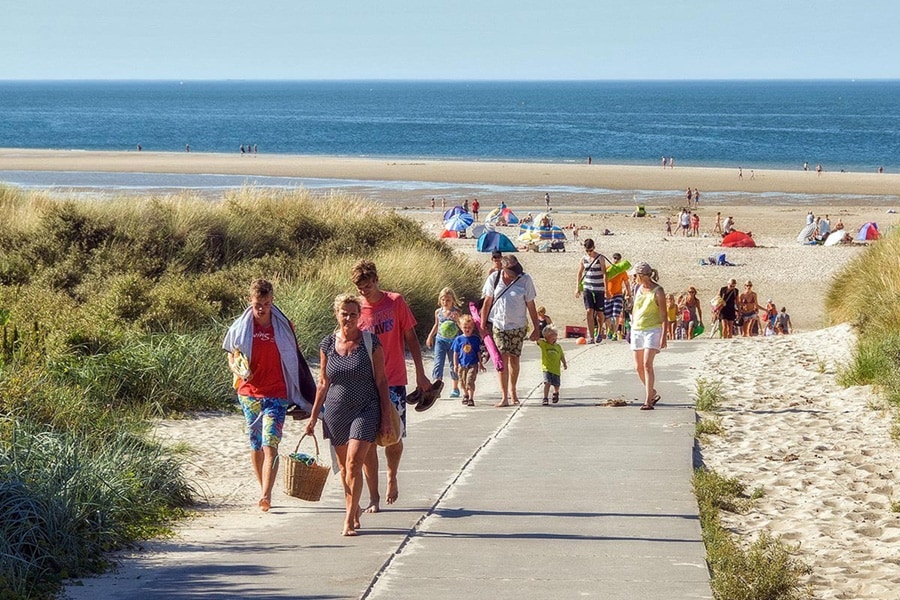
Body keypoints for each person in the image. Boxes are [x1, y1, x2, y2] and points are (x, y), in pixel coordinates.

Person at [222, 279, 314, 512]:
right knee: (255, 444)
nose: (262, 308)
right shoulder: (240, 327)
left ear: (272, 301)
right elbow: (232, 355)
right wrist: (236, 367)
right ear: (249, 301)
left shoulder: (283, 326)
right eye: (257, 303)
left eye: (266, 303)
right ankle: (264, 485)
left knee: (270, 443)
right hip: (249, 393)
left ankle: (266, 494)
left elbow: (294, 357)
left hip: (277, 393)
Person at [305, 294, 393, 536]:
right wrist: (313, 416)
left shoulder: (370, 342)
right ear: (336, 314)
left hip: (366, 409)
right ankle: (353, 510)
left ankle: (347, 520)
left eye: (354, 314)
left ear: (359, 316)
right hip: (335, 412)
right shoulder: (326, 344)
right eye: (344, 313)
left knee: (354, 463)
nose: (349, 318)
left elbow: (382, 380)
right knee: (344, 469)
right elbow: (323, 383)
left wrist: (385, 417)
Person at [352, 260, 432, 513]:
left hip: (394, 379)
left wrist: (421, 374)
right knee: (368, 442)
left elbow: (411, 338)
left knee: (392, 437)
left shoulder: (395, 302)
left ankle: (392, 475)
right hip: (365, 383)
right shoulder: (356, 310)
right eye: (359, 287)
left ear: (376, 280)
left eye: (367, 286)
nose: (364, 291)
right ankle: (373, 496)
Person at [479, 255, 540, 407]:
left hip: (518, 326)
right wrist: (482, 325)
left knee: (515, 360)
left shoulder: (525, 279)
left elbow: (531, 305)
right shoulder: (494, 278)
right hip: (499, 324)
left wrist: (536, 328)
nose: (515, 275)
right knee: (502, 360)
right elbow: (487, 302)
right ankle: (504, 396)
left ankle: (513, 390)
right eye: (512, 272)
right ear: (504, 269)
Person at [630, 262, 668, 410]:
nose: (634, 277)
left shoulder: (658, 291)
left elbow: (664, 316)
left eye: (635, 275)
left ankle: (648, 401)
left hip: (652, 330)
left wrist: (664, 336)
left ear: (641, 275)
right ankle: (651, 391)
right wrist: (632, 326)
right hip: (637, 329)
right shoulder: (638, 288)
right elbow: (635, 309)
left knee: (647, 364)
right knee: (638, 367)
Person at [425, 287, 462, 399]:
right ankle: (436, 388)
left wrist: (457, 320)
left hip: (453, 342)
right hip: (440, 340)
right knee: (438, 363)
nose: (445, 302)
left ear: (453, 301)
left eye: (448, 300)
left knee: (453, 365)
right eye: (443, 300)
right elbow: (436, 325)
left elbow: (462, 326)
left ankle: (455, 388)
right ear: (440, 300)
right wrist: (430, 336)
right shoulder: (438, 312)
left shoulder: (456, 312)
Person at [575, 238, 610, 344]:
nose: (589, 253)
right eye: (587, 251)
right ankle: (591, 336)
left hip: (599, 288)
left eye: (590, 250)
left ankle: (599, 332)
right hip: (588, 287)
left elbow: (604, 273)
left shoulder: (600, 258)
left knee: (599, 312)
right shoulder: (583, 259)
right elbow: (579, 273)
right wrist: (577, 287)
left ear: (594, 248)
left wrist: (607, 289)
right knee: (589, 311)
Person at [452, 315, 485, 407]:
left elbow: (478, 352)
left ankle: (471, 398)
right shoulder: (458, 339)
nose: (467, 329)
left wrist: (480, 363)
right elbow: (455, 352)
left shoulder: (475, 339)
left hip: (473, 364)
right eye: (465, 327)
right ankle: (465, 394)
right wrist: (455, 364)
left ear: (473, 327)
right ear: (461, 327)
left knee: (470, 381)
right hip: (462, 365)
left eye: (469, 328)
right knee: (462, 381)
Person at [537, 325, 567, 405]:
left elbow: (561, 356)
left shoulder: (558, 347)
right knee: (547, 382)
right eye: (552, 339)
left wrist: (564, 363)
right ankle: (545, 398)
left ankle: (556, 392)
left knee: (556, 385)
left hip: (556, 369)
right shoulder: (544, 344)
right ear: (546, 338)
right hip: (546, 368)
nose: (554, 340)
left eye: (555, 338)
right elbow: (538, 341)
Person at [604, 253, 631, 340]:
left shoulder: (622, 271)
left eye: (618, 259)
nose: (616, 260)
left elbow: (627, 283)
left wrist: (628, 293)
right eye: (614, 258)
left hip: (618, 294)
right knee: (607, 315)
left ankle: (615, 333)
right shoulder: (607, 269)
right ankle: (609, 330)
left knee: (616, 314)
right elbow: (602, 279)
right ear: (612, 259)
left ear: (620, 260)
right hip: (607, 294)